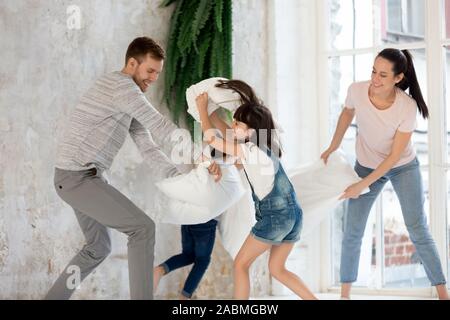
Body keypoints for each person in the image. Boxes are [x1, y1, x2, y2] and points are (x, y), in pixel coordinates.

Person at [46, 37, 220, 300]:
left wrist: (181, 180)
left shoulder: (128, 98)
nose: (153, 78)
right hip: (77, 178)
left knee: (97, 247)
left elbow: (148, 145)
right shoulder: (121, 87)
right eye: (149, 71)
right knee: (142, 229)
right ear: (131, 63)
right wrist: (203, 158)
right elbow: (160, 126)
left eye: (157, 74)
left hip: (83, 179)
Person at [321, 48, 449, 300]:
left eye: (382, 75)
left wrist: (361, 186)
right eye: (373, 71)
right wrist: (334, 144)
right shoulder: (357, 90)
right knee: (353, 230)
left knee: (417, 228)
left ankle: (443, 294)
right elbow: (347, 113)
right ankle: (344, 296)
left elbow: (392, 158)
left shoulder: (407, 107)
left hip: (402, 167)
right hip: (367, 164)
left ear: (398, 78)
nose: (374, 79)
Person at [195, 80, 317, 300]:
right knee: (278, 269)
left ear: (250, 131)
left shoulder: (250, 150)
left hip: (275, 217)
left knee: (241, 264)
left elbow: (213, 138)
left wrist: (203, 110)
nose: (233, 127)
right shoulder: (267, 145)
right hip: (293, 215)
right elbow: (227, 132)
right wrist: (213, 113)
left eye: (238, 125)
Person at [153, 219, 218, 300]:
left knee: (188, 255)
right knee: (202, 261)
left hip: (187, 220)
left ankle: (160, 270)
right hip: (204, 222)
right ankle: (184, 297)